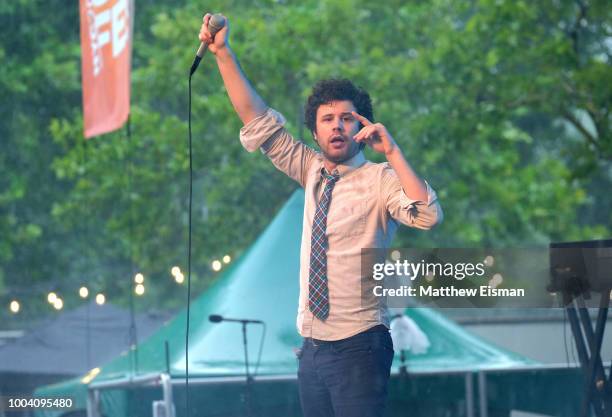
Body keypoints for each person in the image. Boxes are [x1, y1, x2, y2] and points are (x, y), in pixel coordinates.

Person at [199, 13, 443, 417]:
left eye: (347, 118)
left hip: (361, 343)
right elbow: (257, 121)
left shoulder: (380, 178)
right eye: (327, 119)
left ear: (361, 125)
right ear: (315, 132)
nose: (337, 127)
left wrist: (393, 151)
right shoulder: (310, 168)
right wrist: (222, 52)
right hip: (312, 347)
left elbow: (428, 216)